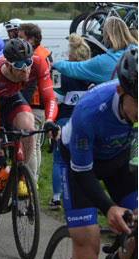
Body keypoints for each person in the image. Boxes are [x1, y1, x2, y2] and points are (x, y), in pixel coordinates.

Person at [58, 47, 138, 259]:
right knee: (87, 255)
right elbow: (82, 172)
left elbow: (136, 158)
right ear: (121, 91)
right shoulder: (90, 112)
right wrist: (109, 207)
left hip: (119, 161)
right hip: (79, 167)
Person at [0, 39, 59, 224]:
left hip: (10, 97)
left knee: (28, 127)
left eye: (28, 63)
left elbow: (50, 98)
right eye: (19, 65)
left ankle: (21, 176)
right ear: (9, 66)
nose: (26, 68)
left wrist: (50, 121)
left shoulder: (38, 64)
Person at [50, 33, 94, 210]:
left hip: (64, 119)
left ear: (71, 55)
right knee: (83, 160)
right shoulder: (92, 73)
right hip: (85, 122)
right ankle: (83, 196)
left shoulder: (64, 72)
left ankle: (56, 197)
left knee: (59, 160)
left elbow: (57, 99)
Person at [17, 23, 55, 185]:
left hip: (32, 105)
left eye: (21, 38)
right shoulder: (45, 53)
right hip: (41, 106)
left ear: (31, 40)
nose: (18, 41)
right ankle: (34, 182)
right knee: (36, 146)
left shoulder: (35, 57)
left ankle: (28, 183)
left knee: (29, 148)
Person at [54, 17, 137, 84]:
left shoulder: (104, 61)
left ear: (107, 36)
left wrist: (56, 64)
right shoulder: (135, 52)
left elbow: (76, 68)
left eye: (103, 32)